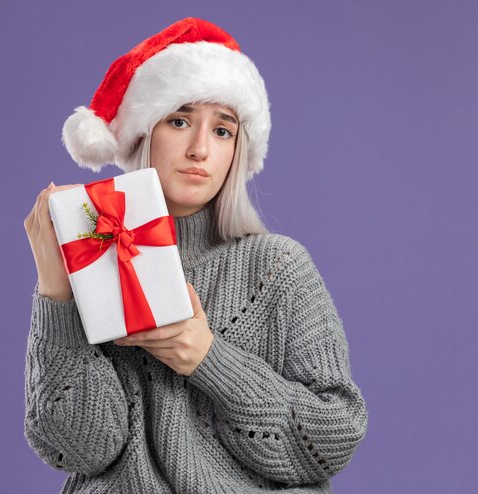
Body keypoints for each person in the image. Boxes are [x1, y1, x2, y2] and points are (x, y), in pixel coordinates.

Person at [23, 17, 368, 494]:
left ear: (237, 151)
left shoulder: (279, 268)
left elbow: (331, 440)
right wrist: (57, 291)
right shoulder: (97, 261)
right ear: (143, 134)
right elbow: (81, 449)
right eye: (179, 121)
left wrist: (208, 358)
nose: (201, 149)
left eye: (223, 131)